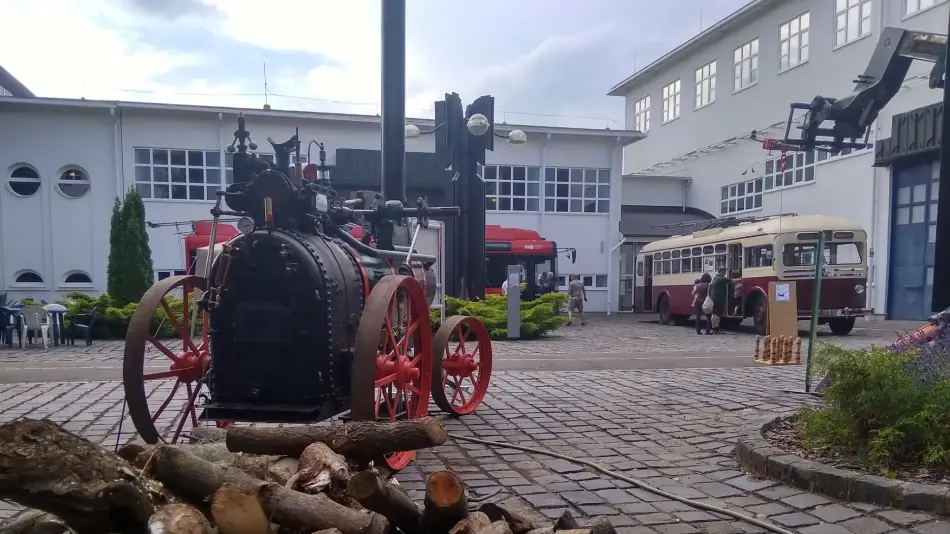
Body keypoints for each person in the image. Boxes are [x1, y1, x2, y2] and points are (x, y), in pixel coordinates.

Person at [710, 267, 733, 334]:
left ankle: (713, 328)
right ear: (722, 271)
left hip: (713, 298)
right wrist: (741, 279)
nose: (725, 273)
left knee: (713, 314)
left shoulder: (715, 278)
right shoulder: (722, 279)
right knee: (718, 314)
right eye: (725, 271)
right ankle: (717, 329)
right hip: (719, 298)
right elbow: (731, 281)